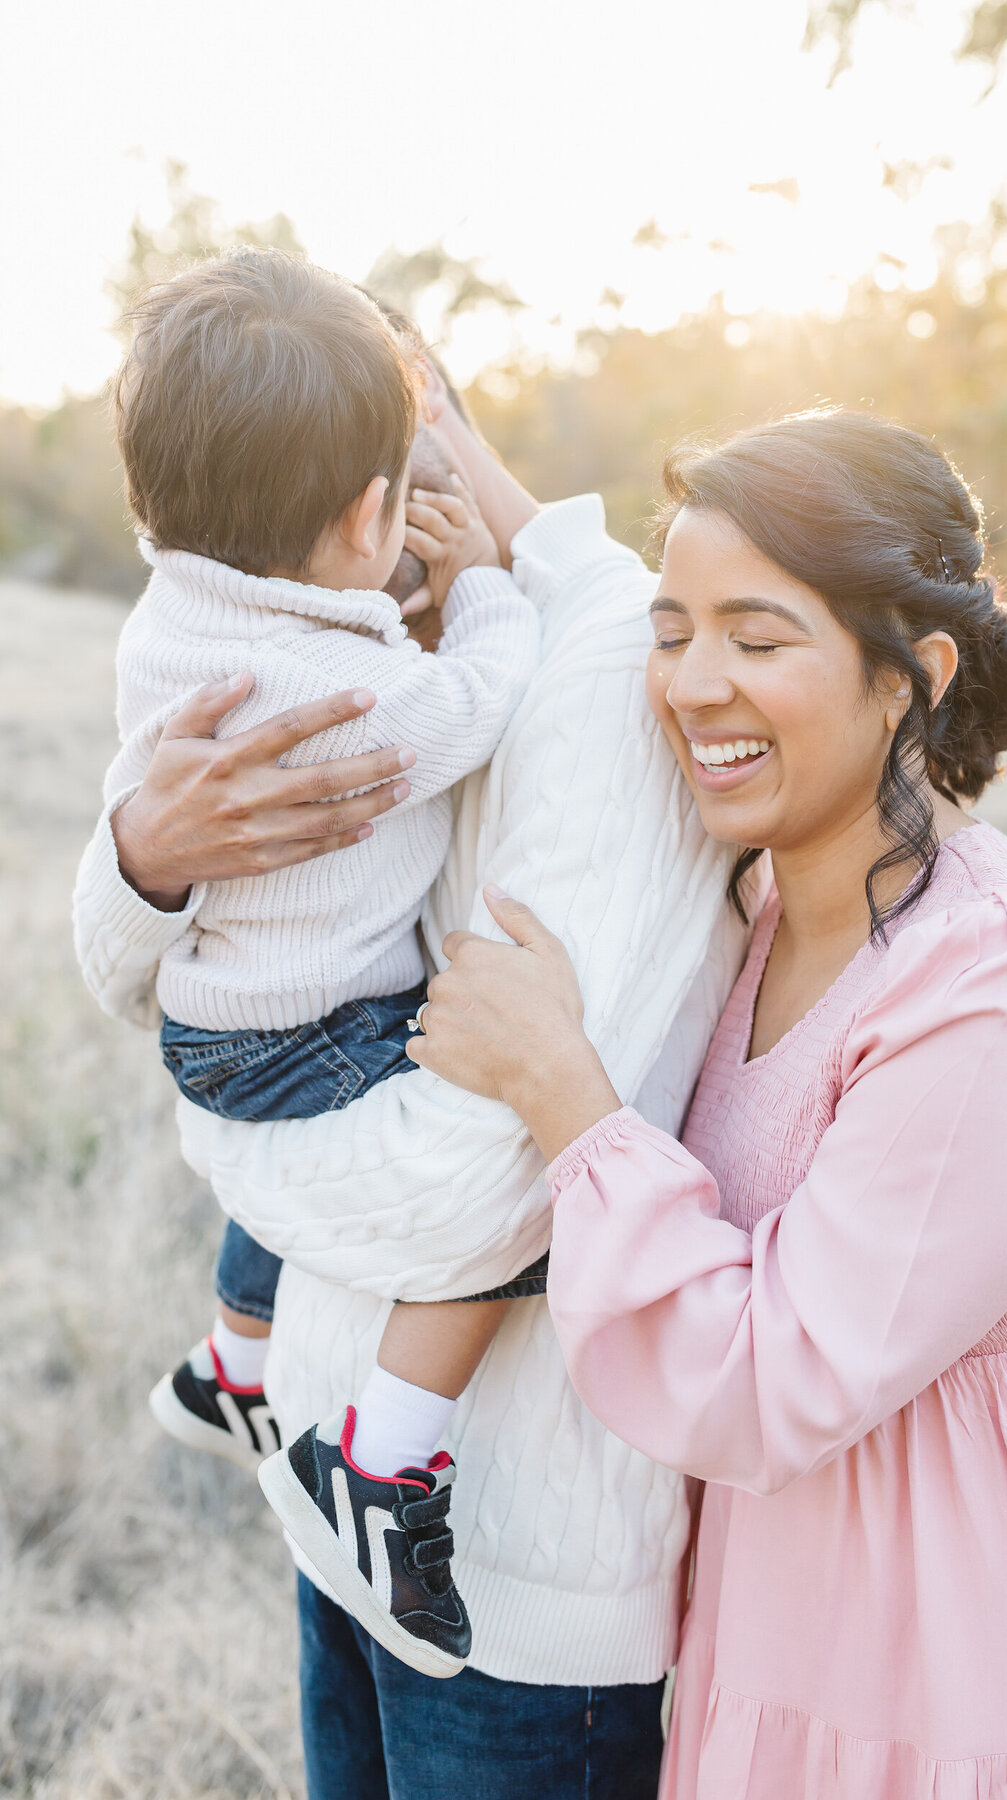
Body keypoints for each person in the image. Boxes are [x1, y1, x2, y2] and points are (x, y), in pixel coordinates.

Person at [400, 409, 1007, 1796]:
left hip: (971, 1666)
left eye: (758, 639)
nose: (693, 684)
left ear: (912, 678)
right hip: (781, 1636)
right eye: (672, 630)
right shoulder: (763, 908)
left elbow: (776, 1374)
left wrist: (562, 1094)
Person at [73, 353, 747, 1796]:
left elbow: (494, 1185)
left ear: (418, 413)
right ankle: (262, 1383)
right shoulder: (327, 639)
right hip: (326, 1487)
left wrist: (221, 1143)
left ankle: (271, 1384)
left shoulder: (602, 662)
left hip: (506, 1586)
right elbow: (123, 968)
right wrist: (145, 854)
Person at [92, 244, 544, 1675]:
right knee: (521, 1183)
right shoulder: (352, 698)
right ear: (372, 516)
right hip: (314, 1034)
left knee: (298, 1118)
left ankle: (235, 1353)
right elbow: (469, 707)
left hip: (215, 1021)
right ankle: (386, 1460)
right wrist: (488, 593)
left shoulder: (170, 624)